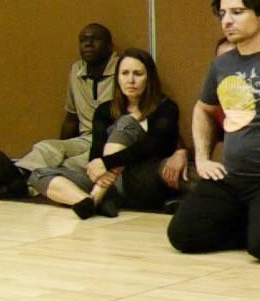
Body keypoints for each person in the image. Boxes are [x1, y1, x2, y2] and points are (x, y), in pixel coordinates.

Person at [168, 0, 260, 257]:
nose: (227, 21)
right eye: (222, 14)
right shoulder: (222, 64)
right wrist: (202, 159)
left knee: (259, 248)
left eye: (237, 12)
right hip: (231, 179)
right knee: (182, 235)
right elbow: (203, 108)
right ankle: (250, 225)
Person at [32, 49, 178, 219]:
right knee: (38, 174)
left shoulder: (166, 107)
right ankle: (87, 201)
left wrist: (107, 164)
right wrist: (101, 167)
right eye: (125, 73)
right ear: (117, 77)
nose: (130, 80)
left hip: (141, 179)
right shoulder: (104, 110)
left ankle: (97, 197)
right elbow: (96, 154)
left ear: (149, 78)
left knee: (126, 122)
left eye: (137, 74)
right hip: (109, 183)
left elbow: (154, 146)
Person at [0, 24, 117, 199]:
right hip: (84, 138)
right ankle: (15, 174)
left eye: (95, 39)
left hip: (109, 142)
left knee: (71, 164)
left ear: (110, 46)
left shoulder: (123, 70)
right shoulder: (76, 69)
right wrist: (62, 147)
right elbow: (71, 118)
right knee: (47, 147)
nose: (88, 44)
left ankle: (14, 184)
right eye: (83, 40)